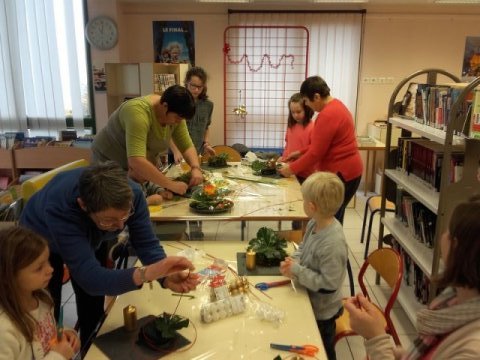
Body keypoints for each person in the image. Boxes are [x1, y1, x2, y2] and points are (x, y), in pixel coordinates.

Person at [19, 161, 200, 353]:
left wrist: (164, 274)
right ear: (83, 205)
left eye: (125, 217)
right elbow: (90, 278)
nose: (121, 227)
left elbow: (146, 243)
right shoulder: (61, 208)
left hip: (91, 229)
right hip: (40, 241)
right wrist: (146, 273)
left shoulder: (132, 195)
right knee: (47, 306)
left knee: (93, 306)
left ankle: (89, 349)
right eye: (110, 220)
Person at [345, 195, 480, 359]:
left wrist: (375, 338)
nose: (442, 236)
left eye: (447, 231)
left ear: (457, 247)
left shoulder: (471, 351)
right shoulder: (454, 298)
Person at [280, 172, 348, 360]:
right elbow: (303, 247)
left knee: (322, 350)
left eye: (303, 200)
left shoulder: (333, 243)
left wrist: (297, 270)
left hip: (322, 312)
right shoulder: (314, 223)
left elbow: (328, 284)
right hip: (308, 297)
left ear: (311, 206)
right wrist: (294, 260)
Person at [278, 76, 363, 224]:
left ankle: (330, 246)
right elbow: (322, 145)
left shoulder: (327, 115)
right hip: (350, 171)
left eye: (308, 102)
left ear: (316, 96)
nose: (309, 106)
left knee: (330, 219)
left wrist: (290, 169)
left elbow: (316, 154)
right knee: (333, 217)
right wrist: (300, 152)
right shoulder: (337, 106)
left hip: (343, 173)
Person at [91, 84, 203, 196]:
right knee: (125, 204)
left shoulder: (175, 113)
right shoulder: (137, 113)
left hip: (135, 170)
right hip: (108, 165)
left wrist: (195, 168)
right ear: (165, 106)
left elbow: (187, 145)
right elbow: (136, 161)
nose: (179, 122)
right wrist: (170, 185)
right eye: (178, 118)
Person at [0, 226, 81, 359]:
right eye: (39, 268)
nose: (50, 269)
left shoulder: (42, 297)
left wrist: (65, 333)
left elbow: (45, 333)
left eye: (48, 261)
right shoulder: (5, 330)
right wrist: (57, 356)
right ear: (8, 277)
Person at [170, 66, 216, 163]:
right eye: (193, 86)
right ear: (186, 83)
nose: (196, 90)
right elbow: (168, 130)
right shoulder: (177, 102)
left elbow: (206, 127)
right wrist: (176, 151)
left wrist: (207, 144)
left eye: (200, 87)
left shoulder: (208, 105)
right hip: (178, 154)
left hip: (197, 153)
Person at [278, 92, 315, 183]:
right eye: (293, 112)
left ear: (307, 109)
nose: (295, 115)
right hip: (290, 171)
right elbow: (288, 146)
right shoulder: (291, 126)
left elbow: (312, 152)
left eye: (299, 112)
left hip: (306, 174)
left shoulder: (312, 127)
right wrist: (283, 157)